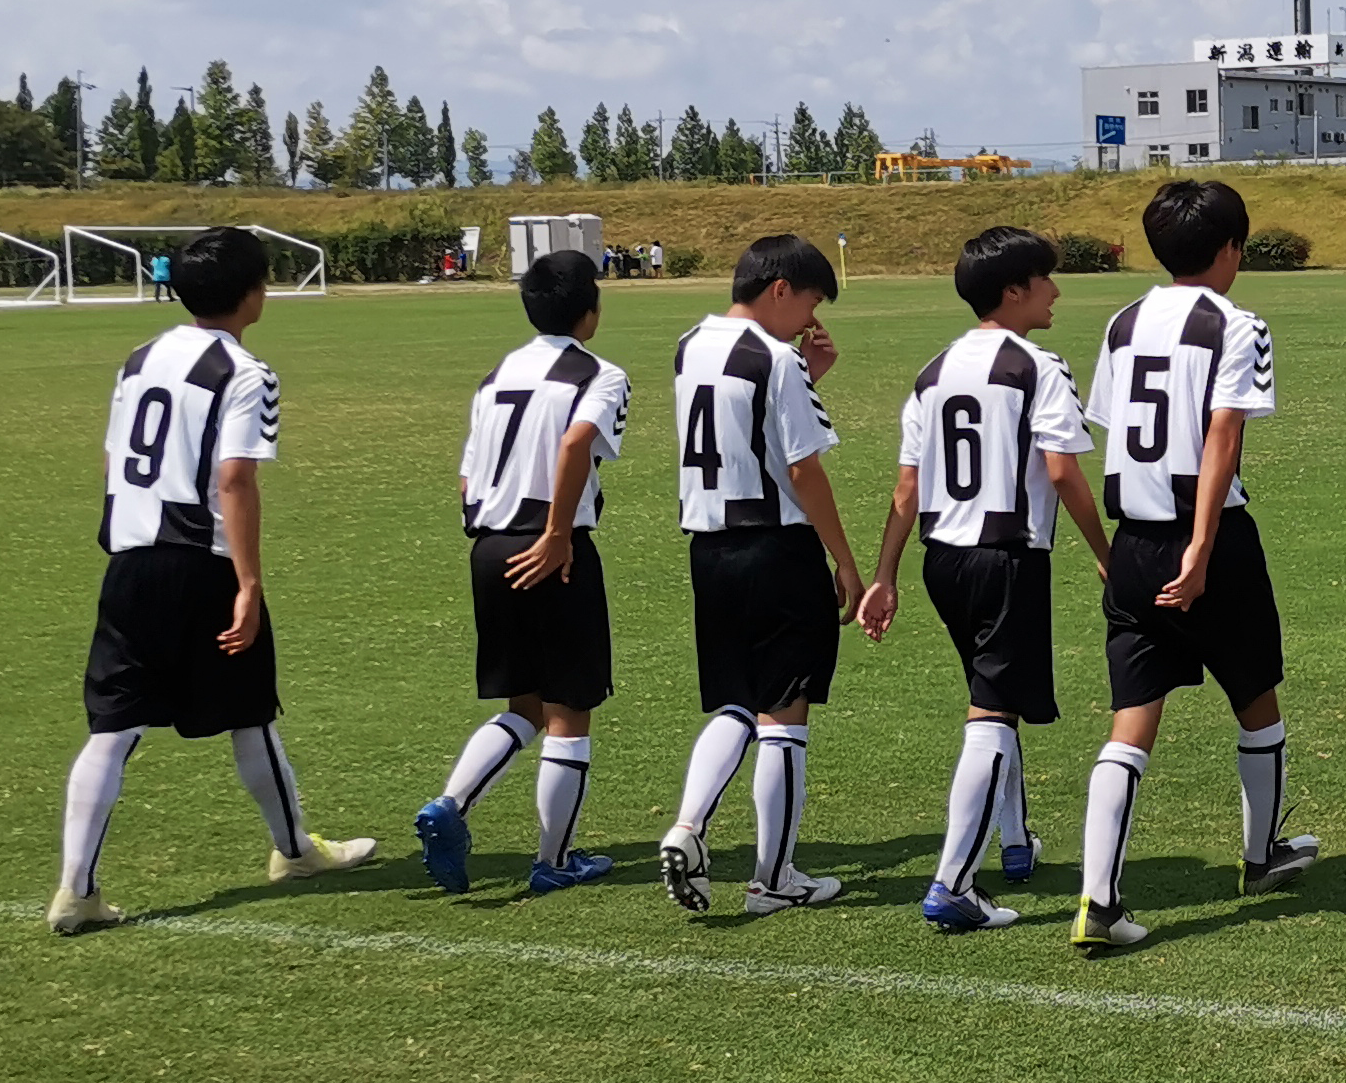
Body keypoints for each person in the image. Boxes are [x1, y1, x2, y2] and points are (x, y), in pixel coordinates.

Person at [50, 227, 377, 935]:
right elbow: (234, 477)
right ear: (254, 293)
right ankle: (294, 852)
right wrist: (249, 582)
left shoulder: (140, 358)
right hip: (201, 563)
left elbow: (113, 462)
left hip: (130, 558)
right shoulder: (246, 372)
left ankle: (76, 890)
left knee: (113, 727)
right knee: (249, 710)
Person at [1071, 179, 1320, 952]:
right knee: (1255, 695)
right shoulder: (1237, 325)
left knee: (1131, 721)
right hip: (1207, 537)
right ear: (1229, 250)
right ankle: (1261, 854)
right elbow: (1222, 437)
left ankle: (1097, 900)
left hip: (1137, 541)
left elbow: (1114, 427)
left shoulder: (1122, 321)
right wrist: (1205, 546)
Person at [860, 226, 1111, 932]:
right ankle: (953, 882)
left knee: (989, 694)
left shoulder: (933, 371)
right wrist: (1104, 550)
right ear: (1014, 290)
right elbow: (1062, 470)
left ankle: (1014, 841)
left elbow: (906, 487)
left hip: (942, 558)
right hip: (1007, 557)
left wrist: (885, 574)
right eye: (1046, 280)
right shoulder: (1038, 366)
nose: (1057, 292)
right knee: (993, 711)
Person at [652, 235, 865, 917]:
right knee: (785, 715)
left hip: (709, 549)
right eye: (808, 303)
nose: (810, 320)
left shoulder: (691, 344)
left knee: (736, 703)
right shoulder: (777, 359)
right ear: (779, 289)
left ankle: (687, 826)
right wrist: (845, 559)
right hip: (777, 550)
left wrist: (808, 372)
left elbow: (743, 427)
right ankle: (773, 877)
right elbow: (802, 467)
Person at [414, 250, 632, 898]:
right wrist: (558, 534)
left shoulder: (496, 375)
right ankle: (554, 859)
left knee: (525, 705)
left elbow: (467, 473)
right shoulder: (601, 374)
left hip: (488, 544)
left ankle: (451, 804)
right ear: (590, 310)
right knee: (570, 710)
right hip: (552, 548)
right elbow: (574, 444)